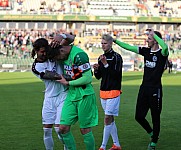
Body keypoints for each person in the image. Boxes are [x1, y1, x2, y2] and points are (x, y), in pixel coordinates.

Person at [113, 29, 169, 150]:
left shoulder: (162, 53)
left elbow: (164, 46)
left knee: (155, 117)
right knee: (138, 116)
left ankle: (153, 143)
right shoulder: (146, 51)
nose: (147, 40)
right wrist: (115, 41)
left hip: (155, 90)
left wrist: (155, 35)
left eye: (149, 38)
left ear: (155, 41)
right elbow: (129, 47)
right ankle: (152, 133)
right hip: (144, 89)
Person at [47, 42, 98, 150]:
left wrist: (68, 83)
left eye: (58, 57)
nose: (59, 60)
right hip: (71, 94)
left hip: (84, 94)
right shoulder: (64, 56)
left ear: (61, 51)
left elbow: (88, 78)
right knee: (63, 128)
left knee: (85, 129)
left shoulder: (79, 55)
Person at [31, 33, 75, 150]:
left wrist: (61, 36)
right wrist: (76, 77)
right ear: (36, 51)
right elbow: (54, 76)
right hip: (49, 98)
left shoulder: (53, 51)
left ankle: (67, 147)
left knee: (59, 129)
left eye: (45, 51)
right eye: (41, 52)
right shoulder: (36, 67)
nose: (45, 54)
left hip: (63, 95)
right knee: (46, 130)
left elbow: (71, 38)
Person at [93, 34, 123, 150]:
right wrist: (96, 70)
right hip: (103, 92)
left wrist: (105, 64)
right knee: (110, 119)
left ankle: (103, 146)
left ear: (111, 44)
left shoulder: (117, 57)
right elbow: (99, 77)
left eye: (105, 43)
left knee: (106, 118)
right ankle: (117, 144)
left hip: (114, 91)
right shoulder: (101, 57)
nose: (103, 45)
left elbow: (116, 75)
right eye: (102, 43)